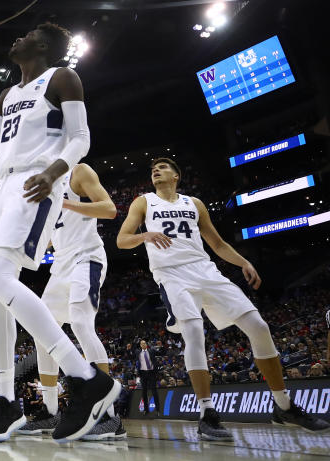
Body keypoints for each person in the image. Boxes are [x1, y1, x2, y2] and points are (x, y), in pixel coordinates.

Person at [0, 24, 120, 443]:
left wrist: (55, 171)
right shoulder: (7, 94)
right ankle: (6, 402)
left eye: (27, 34)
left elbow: (81, 137)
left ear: (44, 45)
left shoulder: (63, 78)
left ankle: (85, 378)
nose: (16, 38)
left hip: (39, 181)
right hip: (3, 187)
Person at [116, 157, 330, 440]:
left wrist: (243, 262)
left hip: (205, 269)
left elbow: (216, 243)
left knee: (259, 327)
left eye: (163, 167)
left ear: (177, 176)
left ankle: (284, 407)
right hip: (171, 274)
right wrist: (146, 236)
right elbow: (122, 239)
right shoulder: (144, 202)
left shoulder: (194, 203)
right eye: (153, 168)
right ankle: (207, 415)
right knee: (193, 332)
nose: (156, 170)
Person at [20, 161, 125, 440]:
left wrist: (66, 206)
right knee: (42, 332)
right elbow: (55, 235)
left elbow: (109, 209)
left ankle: (110, 417)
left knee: (80, 324)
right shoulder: (44, 185)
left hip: (87, 257)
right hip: (61, 266)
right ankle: (50, 412)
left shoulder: (79, 171)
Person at [135, 340, 160, 417]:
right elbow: (136, 360)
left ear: (146, 344)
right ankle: (146, 409)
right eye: (141, 344)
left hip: (151, 373)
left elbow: (156, 358)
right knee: (144, 392)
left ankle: (158, 410)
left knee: (154, 391)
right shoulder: (138, 352)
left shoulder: (151, 351)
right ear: (140, 345)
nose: (143, 344)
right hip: (143, 373)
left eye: (144, 343)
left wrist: (156, 371)